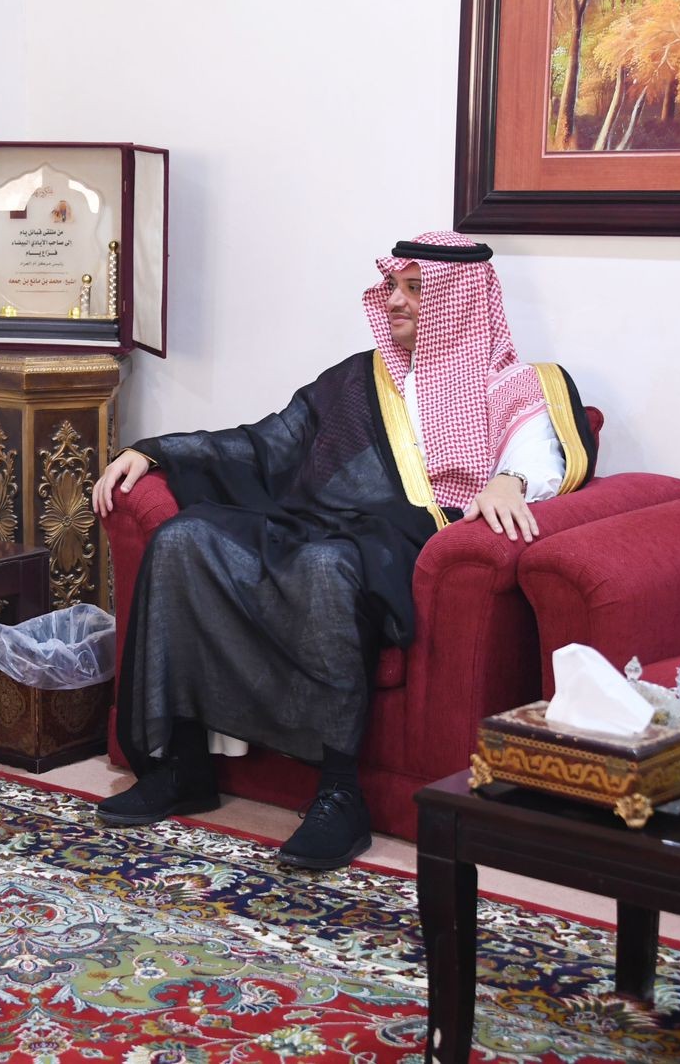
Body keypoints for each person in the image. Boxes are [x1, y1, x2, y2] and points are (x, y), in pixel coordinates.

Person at [91, 232, 596, 869]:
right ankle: (181, 766)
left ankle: (339, 795)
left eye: (415, 289)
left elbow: (540, 454)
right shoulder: (358, 379)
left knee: (325, 566)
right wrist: (155, 451)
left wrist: (509, 479)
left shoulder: (515, 384)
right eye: (392, 287)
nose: (395, 301)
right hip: (319, 521)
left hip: (406, 542)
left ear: (461, 300)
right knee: (182, 538)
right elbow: (265, 444)